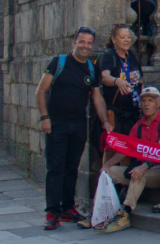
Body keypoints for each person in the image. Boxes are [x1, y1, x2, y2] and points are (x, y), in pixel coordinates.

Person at [35, 27, 112, 230]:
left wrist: (105, 121)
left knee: (72, 168)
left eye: (89, 43)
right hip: (56, 124)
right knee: (55, 168)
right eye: (82, 42)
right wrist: (45, 118)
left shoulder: (91, 68)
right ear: (74, 43)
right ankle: (52, 211)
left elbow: (97, 97)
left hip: (78, 124)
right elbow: (41, 91)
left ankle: (68, 208)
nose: (85, 46)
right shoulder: (58, 63)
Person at [103, 87, 160, 233]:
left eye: (150, 100)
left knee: (138, 174)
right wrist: (106, 165)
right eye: (143, 101)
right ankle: (102, 210)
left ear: (158, 103)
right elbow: (125, 150)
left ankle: (125, 213)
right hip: (140, 167)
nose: (146, 104)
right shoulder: (138, 125)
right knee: (109, 172)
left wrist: (145, 165)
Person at [99, 25, 144, 142]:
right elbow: (104, 77)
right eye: (122, 37)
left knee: (131, 143)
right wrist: (117, 81)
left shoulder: (133, 56)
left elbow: (140, 81)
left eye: (128, 37)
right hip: (116, 111)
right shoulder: (109, 56)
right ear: (114, 39)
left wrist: (143, 98)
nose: (126, 40)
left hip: (133, 110)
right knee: (116, 144)